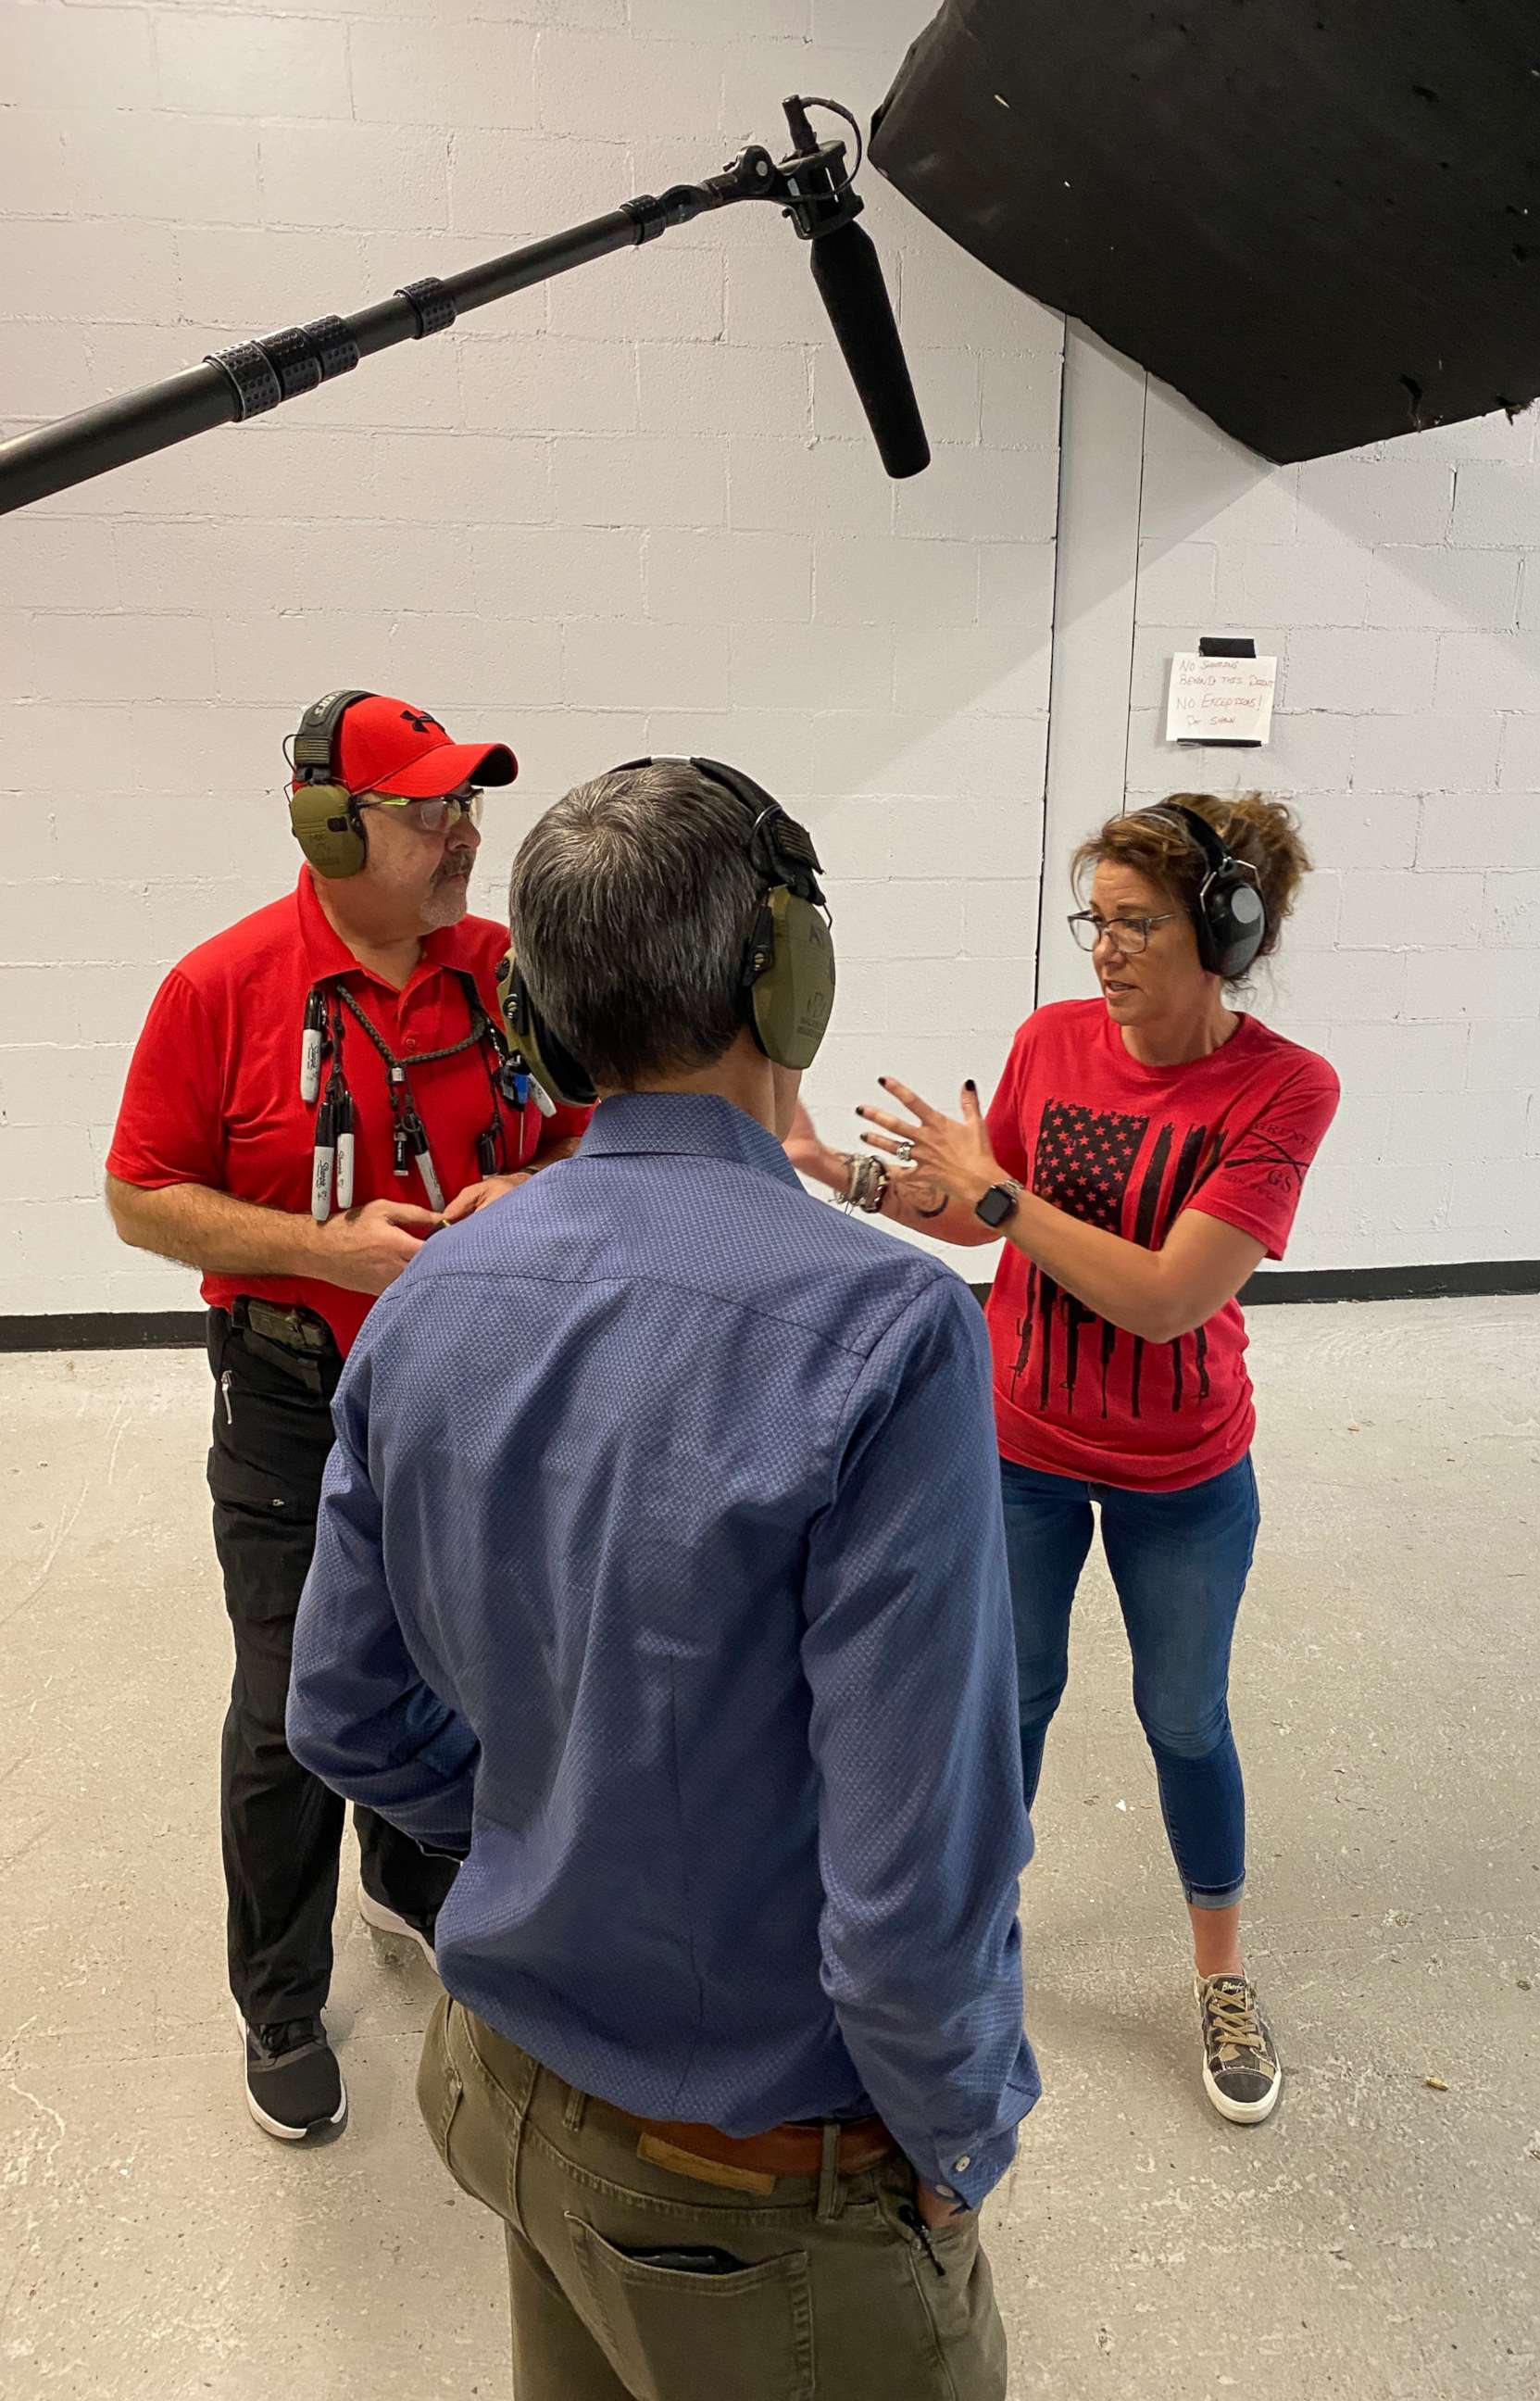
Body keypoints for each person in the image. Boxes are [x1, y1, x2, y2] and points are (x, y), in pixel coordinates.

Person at [286, 757, 1037, 2401]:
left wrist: (568, 1827)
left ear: (542, 1025)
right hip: (746, 2189)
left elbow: (341, 1712)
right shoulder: (891, 1337)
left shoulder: (428, 1289)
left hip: (502, 2096)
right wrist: (962, 2129)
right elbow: (915, 1880)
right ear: (792, 978)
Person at [785, 793, 1338, 2127]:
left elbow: (1165, 1295)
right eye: (1098, 919)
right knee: (1007, 1704)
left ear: (1227, 932)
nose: (1107, 949)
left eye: (1141, 923)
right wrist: (840, 1172)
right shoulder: (1051, 1041)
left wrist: (997, 1196)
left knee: (1184, 1718)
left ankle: (1219, 1967)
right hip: (1020, 1449)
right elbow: (985, 1224)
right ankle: (972, 1934)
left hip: (1185, 1474)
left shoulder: (1282, 1089)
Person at [105, 692, 590, 2143]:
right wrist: (324, 1249)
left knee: (451, 1661)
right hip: (293, 1403)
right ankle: (278, 1991)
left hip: (477, 1396)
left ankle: (413, 1874)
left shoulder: (504, 972)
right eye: (430, 810)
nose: (465, 835)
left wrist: (533, 1189)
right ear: (330, 824)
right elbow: (138, 1198)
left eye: (466, 806)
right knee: (290, 1707)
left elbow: (589, 1131)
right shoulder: (223, 987)